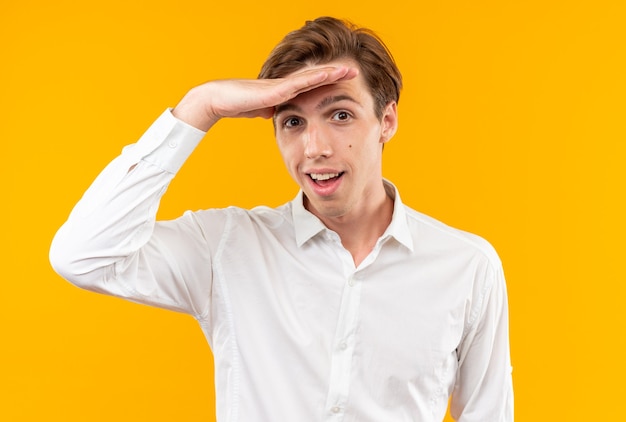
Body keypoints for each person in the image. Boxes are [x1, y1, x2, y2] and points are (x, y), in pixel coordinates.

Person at [50, 16, 513, 422]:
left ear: (387, 120)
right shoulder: (227, 247)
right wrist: (200, 107)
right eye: (293, 122)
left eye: (340, 115)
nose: (315, 148)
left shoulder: (468, 266)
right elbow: (82, 257)